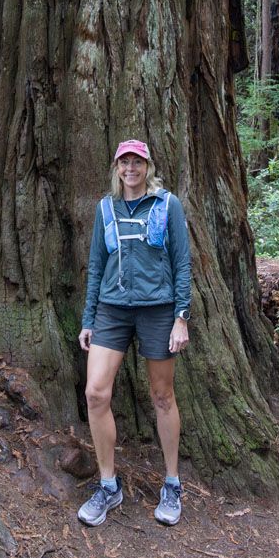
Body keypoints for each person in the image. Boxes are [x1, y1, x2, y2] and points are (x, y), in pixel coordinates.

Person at [77, 139, 190, 527]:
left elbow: (181, 262)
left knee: (162, 396)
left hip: (158, 310)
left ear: (147, 166)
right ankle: (109, 485)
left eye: (137, 161)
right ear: (116, 167)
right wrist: (88, 319)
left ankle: (172, 483)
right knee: (95, 393)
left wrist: (181, 316)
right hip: (111, 310)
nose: (130, 168)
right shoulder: (105, 208)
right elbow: (96, 264)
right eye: (124, 161)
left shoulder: (167, 205)